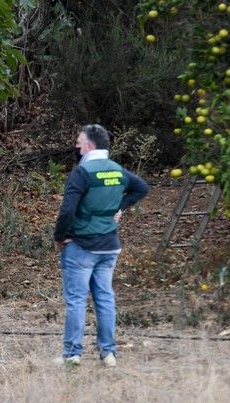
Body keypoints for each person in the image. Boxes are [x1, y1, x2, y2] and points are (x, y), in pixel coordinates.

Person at [53, 124, 150, 367]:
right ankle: (108, 353)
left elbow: (67, 211)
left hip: (82, 246)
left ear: (89, 145)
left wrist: (59, 236)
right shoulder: (118, 170)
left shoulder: (83, 172)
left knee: (76, 300)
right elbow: (142, 188)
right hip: (109, 246)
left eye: (78, 141)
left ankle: (72, 354)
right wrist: (119, 207)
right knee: (105, 298)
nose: (76, 146)